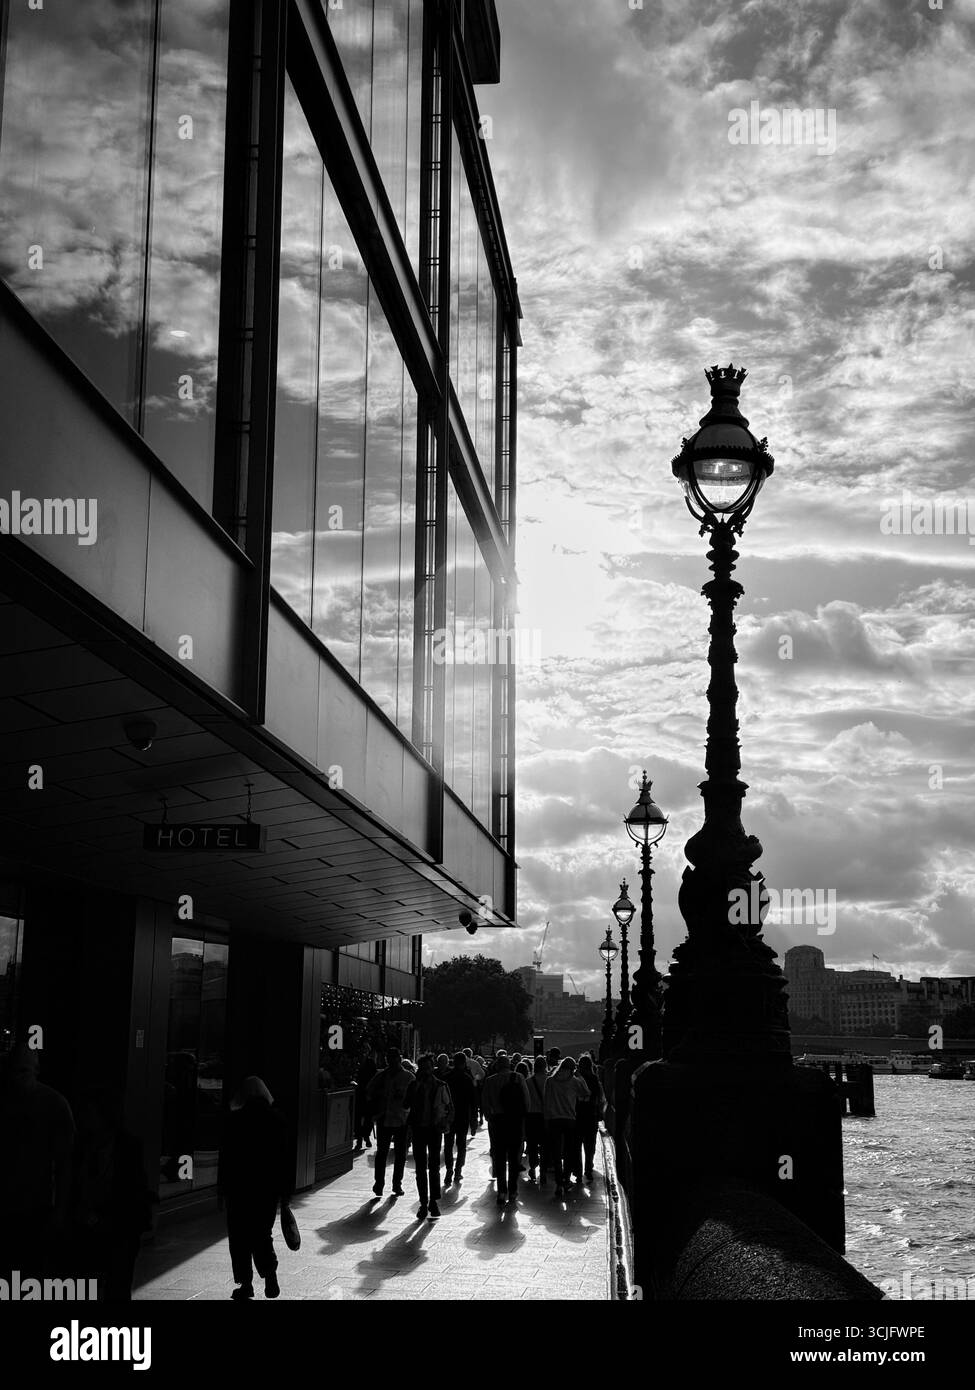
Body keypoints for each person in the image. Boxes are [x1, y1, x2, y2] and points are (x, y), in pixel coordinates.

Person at [70, 1087, 154, 1301]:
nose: (85, 1118)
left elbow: (132, 1191)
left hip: (118, 1226)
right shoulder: (84, 1145)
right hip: (94, 1223)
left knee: (116, 1283)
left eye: (90, 1113)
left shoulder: (126, 1147)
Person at [0, 1044, 75, 1274]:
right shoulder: (53, 1103)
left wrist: (60, 1209)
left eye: (22, 1071)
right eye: (14, 1070)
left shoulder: (53, 1104)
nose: (16, 1077)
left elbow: (66, 1163)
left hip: (35, 1204)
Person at [218, 1076, 292, 1301]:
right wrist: (285, 1193)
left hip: (239, 1188)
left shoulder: (234, 1121)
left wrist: (222, 1190)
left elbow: (227, 1159)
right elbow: (283, 1159)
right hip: (266, 1189)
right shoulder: (277, 1119)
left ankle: (246, 1284)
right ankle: (270, 1276)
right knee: (262, 1233)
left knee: (239, 1237)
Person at [481, 1055, 530, 1207]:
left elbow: (484, 1102)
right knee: (515, 1157)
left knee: (500, 1157)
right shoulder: (519, 1077)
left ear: (497, 1066)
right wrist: (522, 1117)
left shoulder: (490, 1081)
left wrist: (490, 1118)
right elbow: (526, 1100)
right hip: (515, 1121)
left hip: (498, 1121)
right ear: (509, 1065)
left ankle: (502, 1191)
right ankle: (513, 1190)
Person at [408, 1055, 453, 1220]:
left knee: (433, 1166)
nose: (425, 1071)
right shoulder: (414, 1085)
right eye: (422, 1068)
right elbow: (406, 1104)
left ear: (432, 1068)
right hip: (419, 1129)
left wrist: (445, 1122)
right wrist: (414, 1090)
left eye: (428, 1067)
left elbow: (450, 1107)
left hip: (434, 1129)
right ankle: (423, 1203)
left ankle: (433, 1201)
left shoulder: (441, 1086)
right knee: (420, 1168)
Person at [366, 1048, 415, 1198]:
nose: (391, 1062)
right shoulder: (381, 1076)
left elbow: (414, 1097)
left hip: (401, 1119)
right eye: (389, 1059)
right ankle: (379, 1184)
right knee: (383, 1153)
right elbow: (368, 1092)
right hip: (384, 1118)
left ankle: (396, 1184)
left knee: (399, 1154)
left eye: (393, 1059)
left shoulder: (408, 1077)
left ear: (399, 1060)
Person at [542, 1058, 591, 1199]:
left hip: (553, 1120)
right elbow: (586, 1093)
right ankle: (566, 1178)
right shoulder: (575, 1081)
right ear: (572, 1069)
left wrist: (546, 1119)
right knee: (569, 1151)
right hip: (569, 1119)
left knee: (557, 1152)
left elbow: (546, 1101)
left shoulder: (550, 1081)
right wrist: (580, 1078)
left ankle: (558, 1183)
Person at [443, 1053, 477, 1186]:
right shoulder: (468, 1079)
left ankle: (449, 1169)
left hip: (449, 1116)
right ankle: (458, 1169)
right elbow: (474, 1102)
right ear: (464, 1063)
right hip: (463, 1116)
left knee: (448, 1144)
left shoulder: (446, 1078)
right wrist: (474, 1120)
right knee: (461, 1144)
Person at [574, 1055, 605, 1185]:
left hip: (577, 1115)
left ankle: (578, 1170)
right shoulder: (595, 1080)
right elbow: (600, 1099)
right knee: (590, 1144)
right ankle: (588, 1167)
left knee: (577, 1144)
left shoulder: (576, 1080)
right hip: (591, 1115)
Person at [524, 1056, 548, 1185]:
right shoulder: (549, 1080)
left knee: (532, 1144)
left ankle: (533, 1167)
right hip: (545, 1116)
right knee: (545, 1145)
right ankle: (543, 1170)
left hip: (531, 1116)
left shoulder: (528, 1081)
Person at [353, 1046, 378, 1151]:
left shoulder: (370, 1063)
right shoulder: (355, 1062)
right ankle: (359, 1140)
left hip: (368, 1093)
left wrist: (371, 1091)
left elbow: (374, 1077)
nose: (363, 1053)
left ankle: (366, 1136)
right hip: (358, 1093)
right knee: (357, 1118)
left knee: (368, 1118)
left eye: (365, 1050)